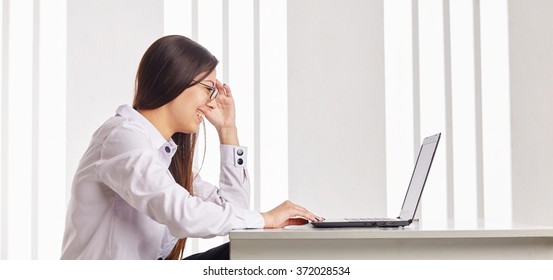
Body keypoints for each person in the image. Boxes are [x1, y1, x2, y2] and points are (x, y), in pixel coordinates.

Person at [60, 35, 322, 260]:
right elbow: (181, 213)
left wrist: (228, 130)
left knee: (250, 250)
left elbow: (236, 213)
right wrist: (265, 218)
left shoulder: (164, 155)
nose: (212, 102)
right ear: (174, 80)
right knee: (249, 255)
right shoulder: (122, 137)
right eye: (209, 89)